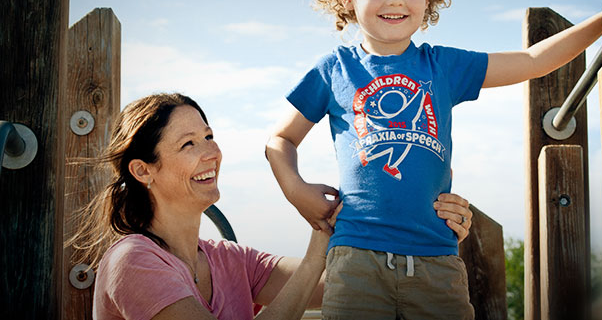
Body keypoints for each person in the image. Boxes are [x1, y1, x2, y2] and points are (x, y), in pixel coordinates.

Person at [264, 0, 602, 319]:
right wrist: (296, 190)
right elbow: (279, 141)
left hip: (436, 261)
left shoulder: (443, 66)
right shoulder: (333, 69)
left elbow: (532, 60)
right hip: (355, 257)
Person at [69, 93, 474, 319]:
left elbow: (351, 280)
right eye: (188, 144)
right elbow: (315, 271)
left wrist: (424, 223)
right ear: (143, 170)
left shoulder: (230, 261)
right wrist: (318, 249)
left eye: (209, 136)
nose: (210, 152)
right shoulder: (133, 260)